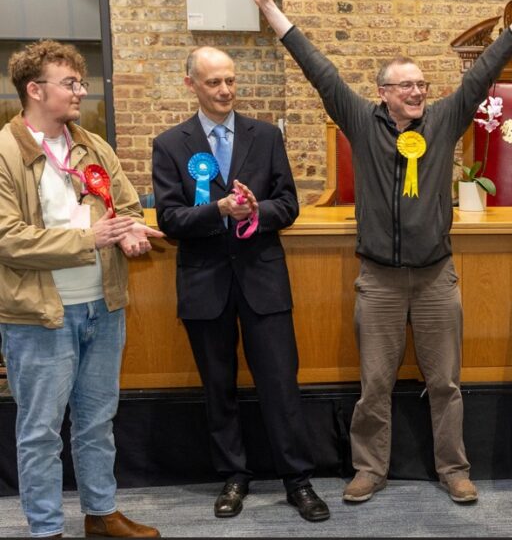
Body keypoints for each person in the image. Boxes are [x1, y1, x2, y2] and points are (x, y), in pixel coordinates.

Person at [249, 0, 512, 504]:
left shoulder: (445, 118)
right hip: (380, 282)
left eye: (421, 84)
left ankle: (453, 468)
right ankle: (369, 469)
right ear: (383, 93)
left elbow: (484, 71)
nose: (417, 91)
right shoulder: (360, 122)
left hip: (436, 279)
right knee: (375, 388)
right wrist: (271, 10)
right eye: (405, 85)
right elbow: (319, 70)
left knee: (446, 386)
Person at [151, 47, 329, 522]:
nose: (225, 90)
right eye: (213, 83)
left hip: (262, 281)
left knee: (280, 384)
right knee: (218, 387)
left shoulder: (266, 136)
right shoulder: (170, 144)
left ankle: (298, 480)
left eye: (230, 80)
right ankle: (234, 476)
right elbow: (170, 219)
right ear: (191, 84)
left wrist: (256, 210)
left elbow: (288, 204)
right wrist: (219, 211)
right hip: (204, 286)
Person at [0, 40, 163, 538]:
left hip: (104, 306)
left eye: (80, 82)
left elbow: (127, 208)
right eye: (69, 83)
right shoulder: (5, 152)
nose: (80, 92)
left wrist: (131, 232)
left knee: (97, 421)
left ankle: (101, 512)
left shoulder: (93, 145)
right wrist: (87, 239)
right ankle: (46, 530)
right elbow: (6, 238)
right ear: (35, 90)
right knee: (41, 432)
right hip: (39, 316)